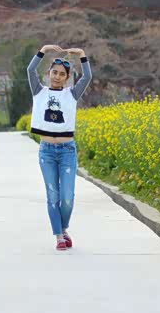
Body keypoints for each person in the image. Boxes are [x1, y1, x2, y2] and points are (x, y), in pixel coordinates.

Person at [27, 44, 92, 251]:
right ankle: (58, 236)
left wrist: (82, 55)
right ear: (48, 74)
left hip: (67, 151)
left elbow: (87, 77)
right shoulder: (39, 91)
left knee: (67, 197)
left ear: (67, 77)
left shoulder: (72, 94)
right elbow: (30, 70)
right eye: (54, 72)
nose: (57, 76)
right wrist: (43, 50)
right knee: (53, 196)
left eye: (61, 74)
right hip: (46, 152)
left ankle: (63, 229)